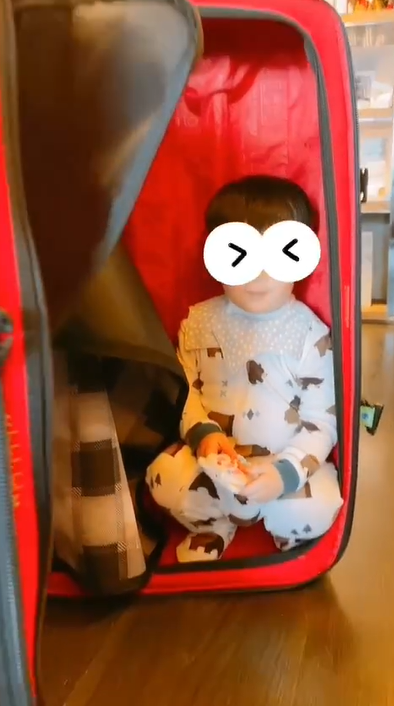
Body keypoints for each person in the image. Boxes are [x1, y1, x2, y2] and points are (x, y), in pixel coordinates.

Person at [146, 175, 343, 563]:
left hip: (284, 466)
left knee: (317, 507)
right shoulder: (198, 322)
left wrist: (284, 474)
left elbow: (323, 420)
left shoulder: (310, 334)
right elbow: (184, 392)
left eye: (279, 255)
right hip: (213, 466)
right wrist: (203, 436)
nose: (258, 274)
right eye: (238, 254)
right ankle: (214, 527)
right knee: (162, 477)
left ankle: (283, 527)